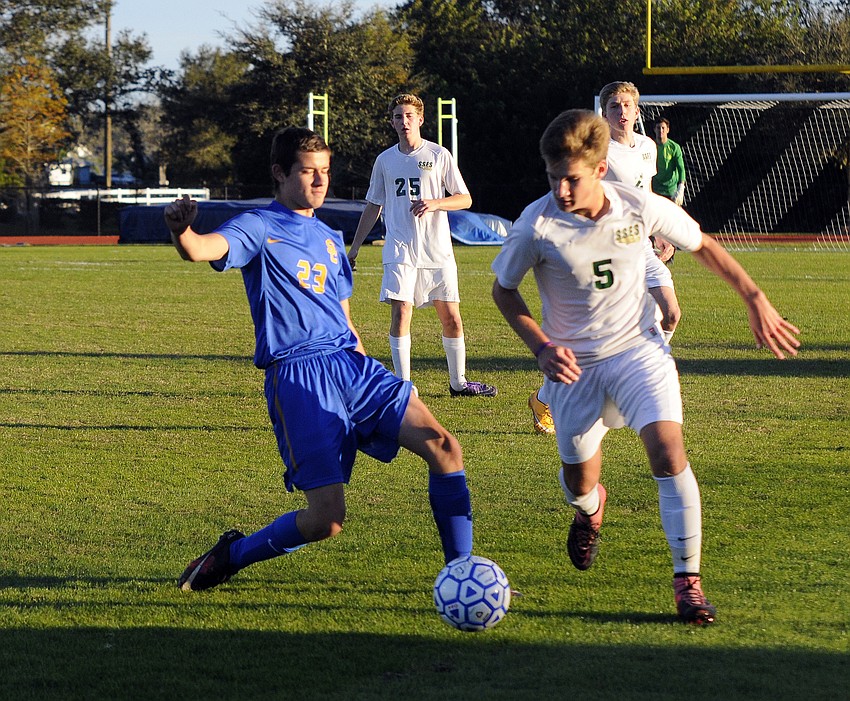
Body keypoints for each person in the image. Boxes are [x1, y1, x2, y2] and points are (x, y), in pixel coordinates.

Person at [492, 109, 800, 624]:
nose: (561, 191)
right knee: (578, 482)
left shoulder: (638, 205)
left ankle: (688, 582)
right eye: (552, 178)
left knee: (668, 449)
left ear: (600, 168)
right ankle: (591, 511)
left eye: (571, 179)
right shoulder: (536, 226)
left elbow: (702, 246)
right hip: (574, 370)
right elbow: (504, 291)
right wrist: (541, 347)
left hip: (639, 351)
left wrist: (754, 297)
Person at [165, 126, 473, 592]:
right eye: (308, 172)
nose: (319, 182)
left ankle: (461, 574)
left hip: (351, 367)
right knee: (326, 520)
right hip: (299, 377)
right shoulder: (259, 226)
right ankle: (231, 555)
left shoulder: (330, 237)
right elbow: (203, 249)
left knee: (445, 447)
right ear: (279, 173)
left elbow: (343, 315)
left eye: (325, 172)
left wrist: (364, 360)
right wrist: (182, 230)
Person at [528, 81, 681, 435]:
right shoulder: (597, 152)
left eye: (627, 105)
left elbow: (648, 196)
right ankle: (545, 397)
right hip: (606, 249)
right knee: (593, 339)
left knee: (671, 312)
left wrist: (663, 231)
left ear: (638, 110)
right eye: (614, 106)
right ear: (604, 113)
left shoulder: (647, 147)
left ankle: (644, 378)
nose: (622, 112)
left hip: (639, 245)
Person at [347, 93, 496, 397]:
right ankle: (404, 387)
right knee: (401, 312)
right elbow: (373, 205)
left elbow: (464, 198)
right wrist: (355, 248)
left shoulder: (439, 154)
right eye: (398, 117)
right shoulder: (385, 160)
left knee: (451, 317)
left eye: (409, 116)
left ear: (421, 119)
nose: (404, 122)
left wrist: (434, 203)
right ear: (392, 122)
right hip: (399, 248)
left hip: (436, 249)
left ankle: (459, 383)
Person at [652, 117, 687, 206]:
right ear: (654, 130)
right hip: (655, 189)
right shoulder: (650, 146)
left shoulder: (674, 147)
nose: (661, 130)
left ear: (668, 130)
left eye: (663, 128)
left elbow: (681, 168)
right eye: (658, 128)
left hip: (671, 190)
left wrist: (681, 187)